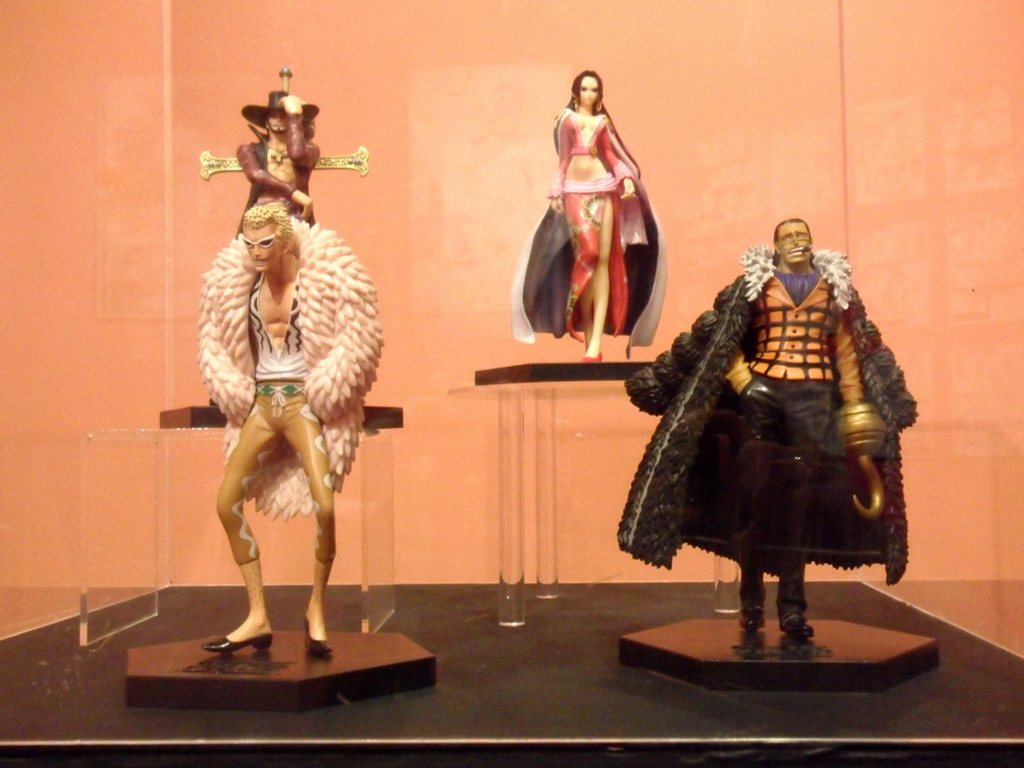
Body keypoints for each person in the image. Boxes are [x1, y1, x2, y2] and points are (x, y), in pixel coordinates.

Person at [618, 219, 916, 639]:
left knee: (801, 503)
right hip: (762, 394)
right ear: (775, 245)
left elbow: (848, 352)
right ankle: (751, 600)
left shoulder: (835, 291)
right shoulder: (753, 287)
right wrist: (744, 382)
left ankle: (792, 607)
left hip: (814, 398)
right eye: (788, 237)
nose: (797, 242)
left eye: (802, 235)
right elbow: (725, 339)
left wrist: (853, 403)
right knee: (753, 497)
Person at [198, 202, 382, 656]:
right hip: (262, 404)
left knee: (325, 507)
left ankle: (316, 607)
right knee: (226, 502)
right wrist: (233, 389)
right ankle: (257, 614)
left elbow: (355, 337)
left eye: (265, 243)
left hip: (302, 402)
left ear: (284, 241)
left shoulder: (318, 282)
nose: (256, 252)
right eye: (250, 244)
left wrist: (328, 391)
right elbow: (216, 340)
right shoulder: (240, 287)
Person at [511, 70, 665, 361]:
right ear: (576, 92)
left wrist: (625, 178)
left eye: (594, 90)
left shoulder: (602, 123)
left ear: (600, 95)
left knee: (605, 260)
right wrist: (557, 189)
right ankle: (580, 323)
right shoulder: (567, 120)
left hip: (604, 188)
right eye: (585, 89)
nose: (589, 95)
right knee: (588, 254)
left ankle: (594, 343)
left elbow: (611, 155)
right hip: (575, 190)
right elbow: (564, 157)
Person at [238, 86, 320, 223]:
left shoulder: (310, 149)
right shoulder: (249, 149)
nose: (278, 119)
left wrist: (295, 116)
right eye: (273, 116)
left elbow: (297, 155)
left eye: (284, 115)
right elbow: (255, 174)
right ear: (266, 122)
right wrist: (294, 193)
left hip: (295, 213)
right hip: (262, 212)